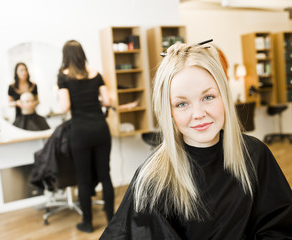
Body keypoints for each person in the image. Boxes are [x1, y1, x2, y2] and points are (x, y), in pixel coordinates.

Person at [100, 41, 292, 239]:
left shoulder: (255, 155)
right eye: (182, 103)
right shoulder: (153, 179)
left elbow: (279, 226)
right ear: (169, 112)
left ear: (224, 96)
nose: (198, 114)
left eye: (208, 97)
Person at [57, 40, 114, 233]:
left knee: (83, 179)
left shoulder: (63, 77)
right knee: (105, 175)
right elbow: (107, 101)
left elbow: (64, 106)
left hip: (80, 132)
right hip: (100, 129)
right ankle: (112, 220)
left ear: (66, 56)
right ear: (82, 54)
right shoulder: (96, 73)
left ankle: (88, 223)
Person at [8, 62, 40, 128]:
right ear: (16, 72)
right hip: (19, 118)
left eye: (25, 70)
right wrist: (17, 103)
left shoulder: (33, 86)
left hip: (33, 117)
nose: (24, 72)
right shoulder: (12, 87)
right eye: (21, 70)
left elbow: (38, 101)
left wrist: (33, 104)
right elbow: (9, 103)